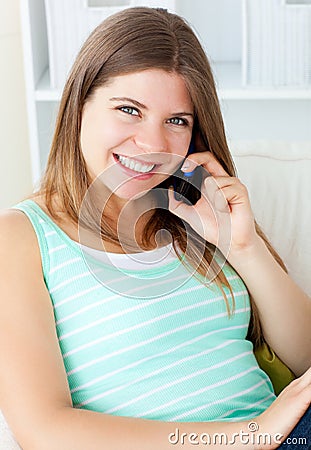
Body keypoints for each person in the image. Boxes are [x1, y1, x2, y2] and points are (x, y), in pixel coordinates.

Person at [0, 6, 310, 449]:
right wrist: (247, 436)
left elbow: (305, 357)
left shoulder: (194, 213)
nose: (153, 144)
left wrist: (242, 246)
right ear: (78, 105)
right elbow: (44, 431)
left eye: (176, 121)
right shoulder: (21, 238)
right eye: (129, 110)